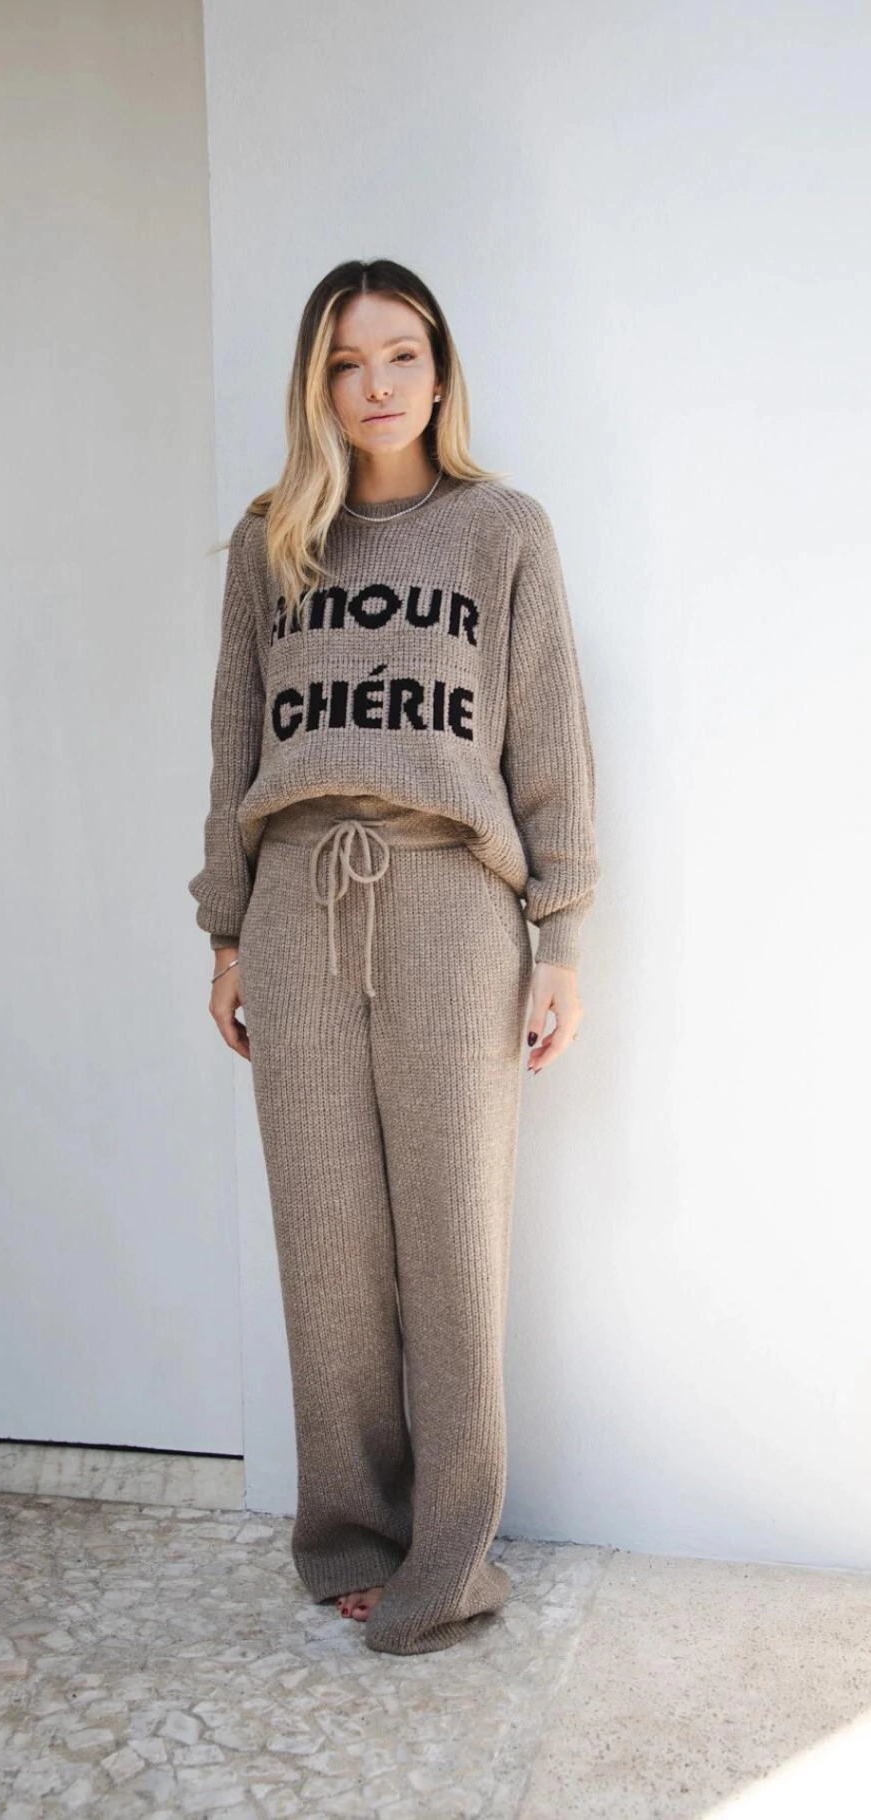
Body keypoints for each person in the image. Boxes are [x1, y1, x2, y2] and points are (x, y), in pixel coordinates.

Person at [189, 257, 601, 1656]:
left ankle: (452, 1554)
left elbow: (549, 745)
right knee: (326, 1246)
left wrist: (559, 937)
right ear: (317, 385)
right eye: (346, 363)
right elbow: (233, 746)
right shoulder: (271, 543)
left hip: (451, 906)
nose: (376, 386)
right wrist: (228, 930)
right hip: (298, 906)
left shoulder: (503, 531)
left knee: (454, 1241)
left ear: (440, 370)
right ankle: (353, 1533)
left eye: (401, 355)